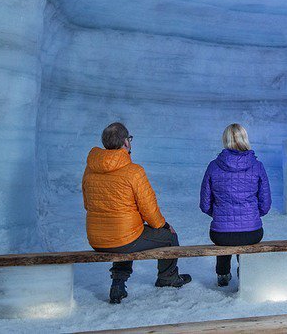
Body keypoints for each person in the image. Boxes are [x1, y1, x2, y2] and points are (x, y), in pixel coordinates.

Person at [82, 122, 191, 304]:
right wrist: (163, 225)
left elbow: (87, 203)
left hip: (96, 239)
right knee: (168, 237)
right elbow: (149, 209)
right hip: (123, 238)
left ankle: (118, 284)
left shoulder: (90, 169)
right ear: (125, 142)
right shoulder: (134, 172)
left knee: (127, 235)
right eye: (129, 139)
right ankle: (168, 277)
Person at [199, 123, 271, 287]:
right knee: (242, 235)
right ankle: (245, 271)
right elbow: (265, 205)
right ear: (245, 139)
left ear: (225, 140)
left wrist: (220, 214)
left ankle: (223, 273)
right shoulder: (257, 166)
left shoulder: (213, 166)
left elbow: (204, 204)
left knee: (225, 234)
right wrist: (250, 216)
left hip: (220, 233)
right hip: (252, 232)